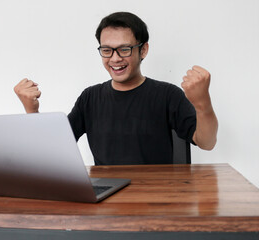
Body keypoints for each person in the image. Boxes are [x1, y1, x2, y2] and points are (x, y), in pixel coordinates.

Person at [14, 12, 218, 165]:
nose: (115, 58)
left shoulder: (167, 95)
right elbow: (54, 150)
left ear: (143, 49)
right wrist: (31, 111)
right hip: (106, 200)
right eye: (106, 50)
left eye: (124, 49)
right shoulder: (90, 97)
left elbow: (206, 142)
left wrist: (203, 104)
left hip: (156, 198)